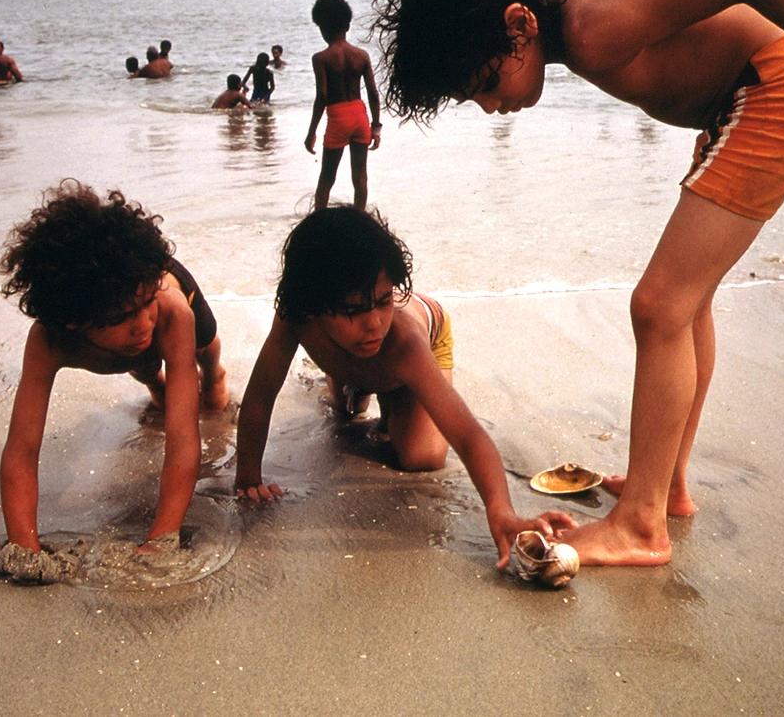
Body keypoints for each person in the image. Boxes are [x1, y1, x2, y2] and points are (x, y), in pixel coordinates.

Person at [372, 0, 784, 566]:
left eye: (483, 83)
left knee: (659, 306)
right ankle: (665, 489)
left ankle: (640, 524)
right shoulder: (573, 14)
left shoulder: (591, 23)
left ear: (518, 25)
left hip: (768, 95)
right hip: (742, 101)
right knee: (686, 306)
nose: (488, 107)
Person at [234, 206, 575, 569]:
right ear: (313, 308)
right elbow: (260, 396)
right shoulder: (295, 318)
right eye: (353, 311)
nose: (373, 324)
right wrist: (248, 477)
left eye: (383, 301)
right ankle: (350, 382)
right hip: (354, 360)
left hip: (424, 339)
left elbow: (467, 434)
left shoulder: (403, 340)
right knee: (344, 411)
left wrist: (502, 510)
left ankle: (387, 391)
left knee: (421, 458)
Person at [0, 180, 230, 569]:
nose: (143, 324)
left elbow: (183, 437)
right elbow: (21, 450)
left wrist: (162, 537)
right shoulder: (48, 341)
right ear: (72, 321)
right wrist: (24, 546)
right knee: (141, 363)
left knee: (205, 345)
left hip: (175, 294)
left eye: (144, 306)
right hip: (123, 313)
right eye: (122, 318)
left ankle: (216, 374)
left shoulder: (166, 311)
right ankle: (155, 381)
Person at [305, 0, 382, 211]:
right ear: (347, 25)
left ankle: (318, 221)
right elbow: (374, 94)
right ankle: (360, 220)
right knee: (360, 178)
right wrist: (376, 126)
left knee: (326, 179)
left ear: (322, 28)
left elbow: (322, 97)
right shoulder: (361, 55)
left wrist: (312, 132)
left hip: (338, 117)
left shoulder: (321, 58)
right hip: (360, 115)